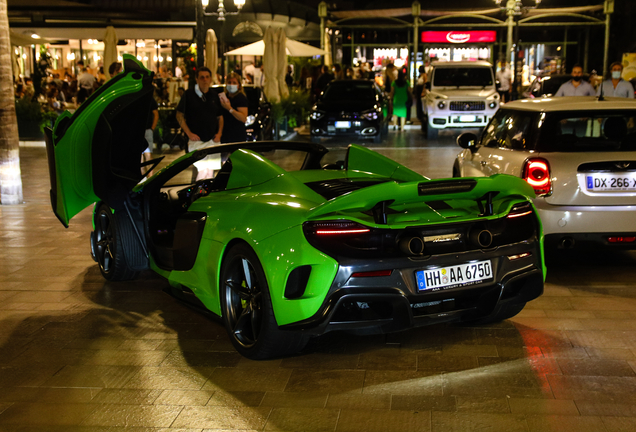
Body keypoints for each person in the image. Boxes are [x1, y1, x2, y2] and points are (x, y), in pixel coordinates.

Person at [176, 67, 223, 179]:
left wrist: (219, 133)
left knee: (210, 172)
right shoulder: (189, 94)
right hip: (196, 140)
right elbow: (179, 115)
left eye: (207, 77)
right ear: (197, 79)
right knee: (201, 171)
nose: (205, 80)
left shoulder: (214, 95)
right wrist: (189, 133)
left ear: (211, 79)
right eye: (202, 77)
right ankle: (198, 194)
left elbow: (220, 117)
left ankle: (206, 194)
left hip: (212, 139)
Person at [219, 72, 248, 143]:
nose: (231, 85)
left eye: (234, 83)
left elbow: (243, 118)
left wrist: (230, 109)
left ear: (238, 85)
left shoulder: (241, 98)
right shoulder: (224, 97)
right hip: (224, 135)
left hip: (237, 136)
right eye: (229, 82)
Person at [415, 65, 427, 132]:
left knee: (421, 107)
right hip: (419, 93)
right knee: (419, 106)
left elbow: (424, 84)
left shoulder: (424, 75)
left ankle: (422, 121)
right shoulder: (421, 75)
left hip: (421, 93)